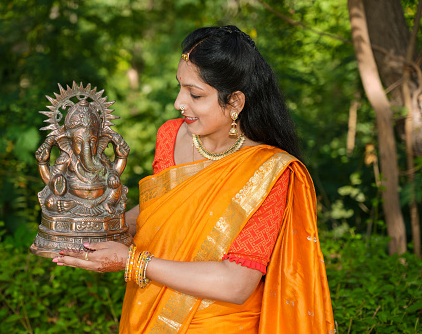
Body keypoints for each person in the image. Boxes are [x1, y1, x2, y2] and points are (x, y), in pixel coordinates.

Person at [52, 25, 335, 333]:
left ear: (236, 103)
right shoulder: (170, 136)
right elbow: (158, 217)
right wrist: (95, 230)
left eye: (195, 94)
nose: (178, 102)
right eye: (180, 86)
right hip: (150, 309)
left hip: (222, 325)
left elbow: (236, 284)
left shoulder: (269, 171)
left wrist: (133, 263)